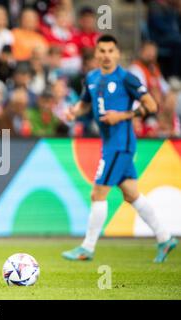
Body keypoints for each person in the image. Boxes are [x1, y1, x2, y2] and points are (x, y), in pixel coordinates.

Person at [62, 34, 177, 263]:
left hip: (120, 144)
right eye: (101, 51)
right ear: (96, 54)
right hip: (109, 144)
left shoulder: (127, 79)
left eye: (110, 51)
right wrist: (74, 111)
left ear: (117, 54)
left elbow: (151, 105)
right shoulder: (92, 77)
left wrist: (123, 115)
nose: (106, 55)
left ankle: (87, 248)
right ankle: (165, 238)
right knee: (131, 194)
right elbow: (86, 103)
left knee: (98, 193)